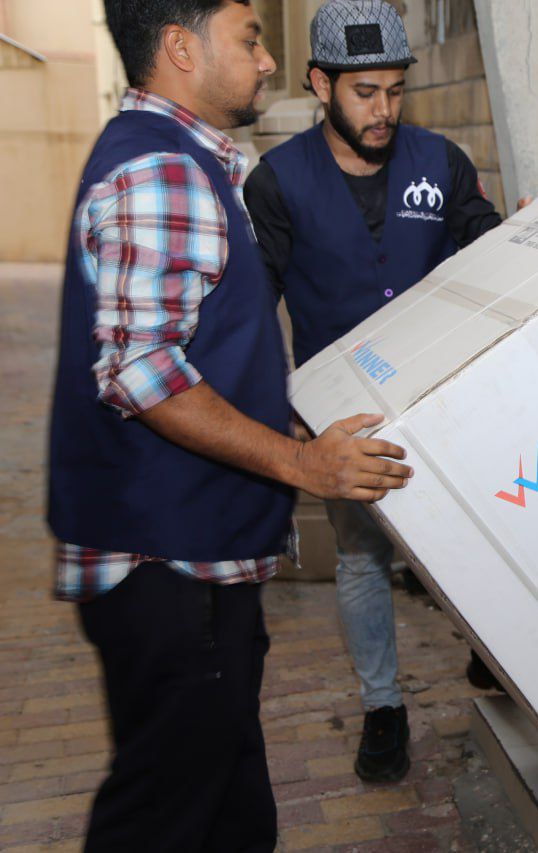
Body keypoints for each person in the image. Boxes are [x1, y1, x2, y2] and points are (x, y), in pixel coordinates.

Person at [48, 1, 412, 849]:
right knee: (168, 815)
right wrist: (301, 464)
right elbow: (143, 371)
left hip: (189, 557)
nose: (267, 60)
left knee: (228, 809)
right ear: (181, 48)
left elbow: (197, 345)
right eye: (249, 39)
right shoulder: (163, 173)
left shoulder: (183, 160)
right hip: (170, 563)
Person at [244, 0, 514, 784]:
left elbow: (488, 246)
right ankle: (384, 706)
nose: (384, 109)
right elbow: (253, 309)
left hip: (443, 393)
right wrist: (282, 417)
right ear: (320, 84)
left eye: (395, 90)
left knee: (478, 530)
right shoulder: (278, 182)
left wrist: (531, 231)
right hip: (345, 413)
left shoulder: (441, 162)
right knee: (363, 558)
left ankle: (494, 650)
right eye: (365, 92)